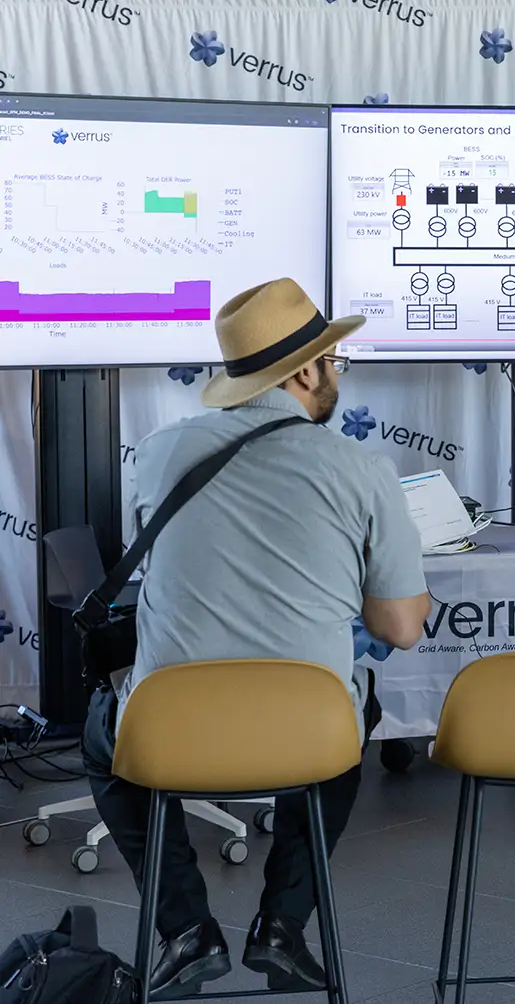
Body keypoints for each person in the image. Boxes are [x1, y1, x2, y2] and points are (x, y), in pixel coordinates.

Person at [81, 278, 429, 1000]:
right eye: (337, 359)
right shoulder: (363, 470)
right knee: (352, 717)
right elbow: (400, 627)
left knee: (98, 733)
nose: (339, 371)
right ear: (306, 370)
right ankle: (282, 923)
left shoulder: (156, 453)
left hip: (170, 731)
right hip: (306, 734)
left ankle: (184, 927)